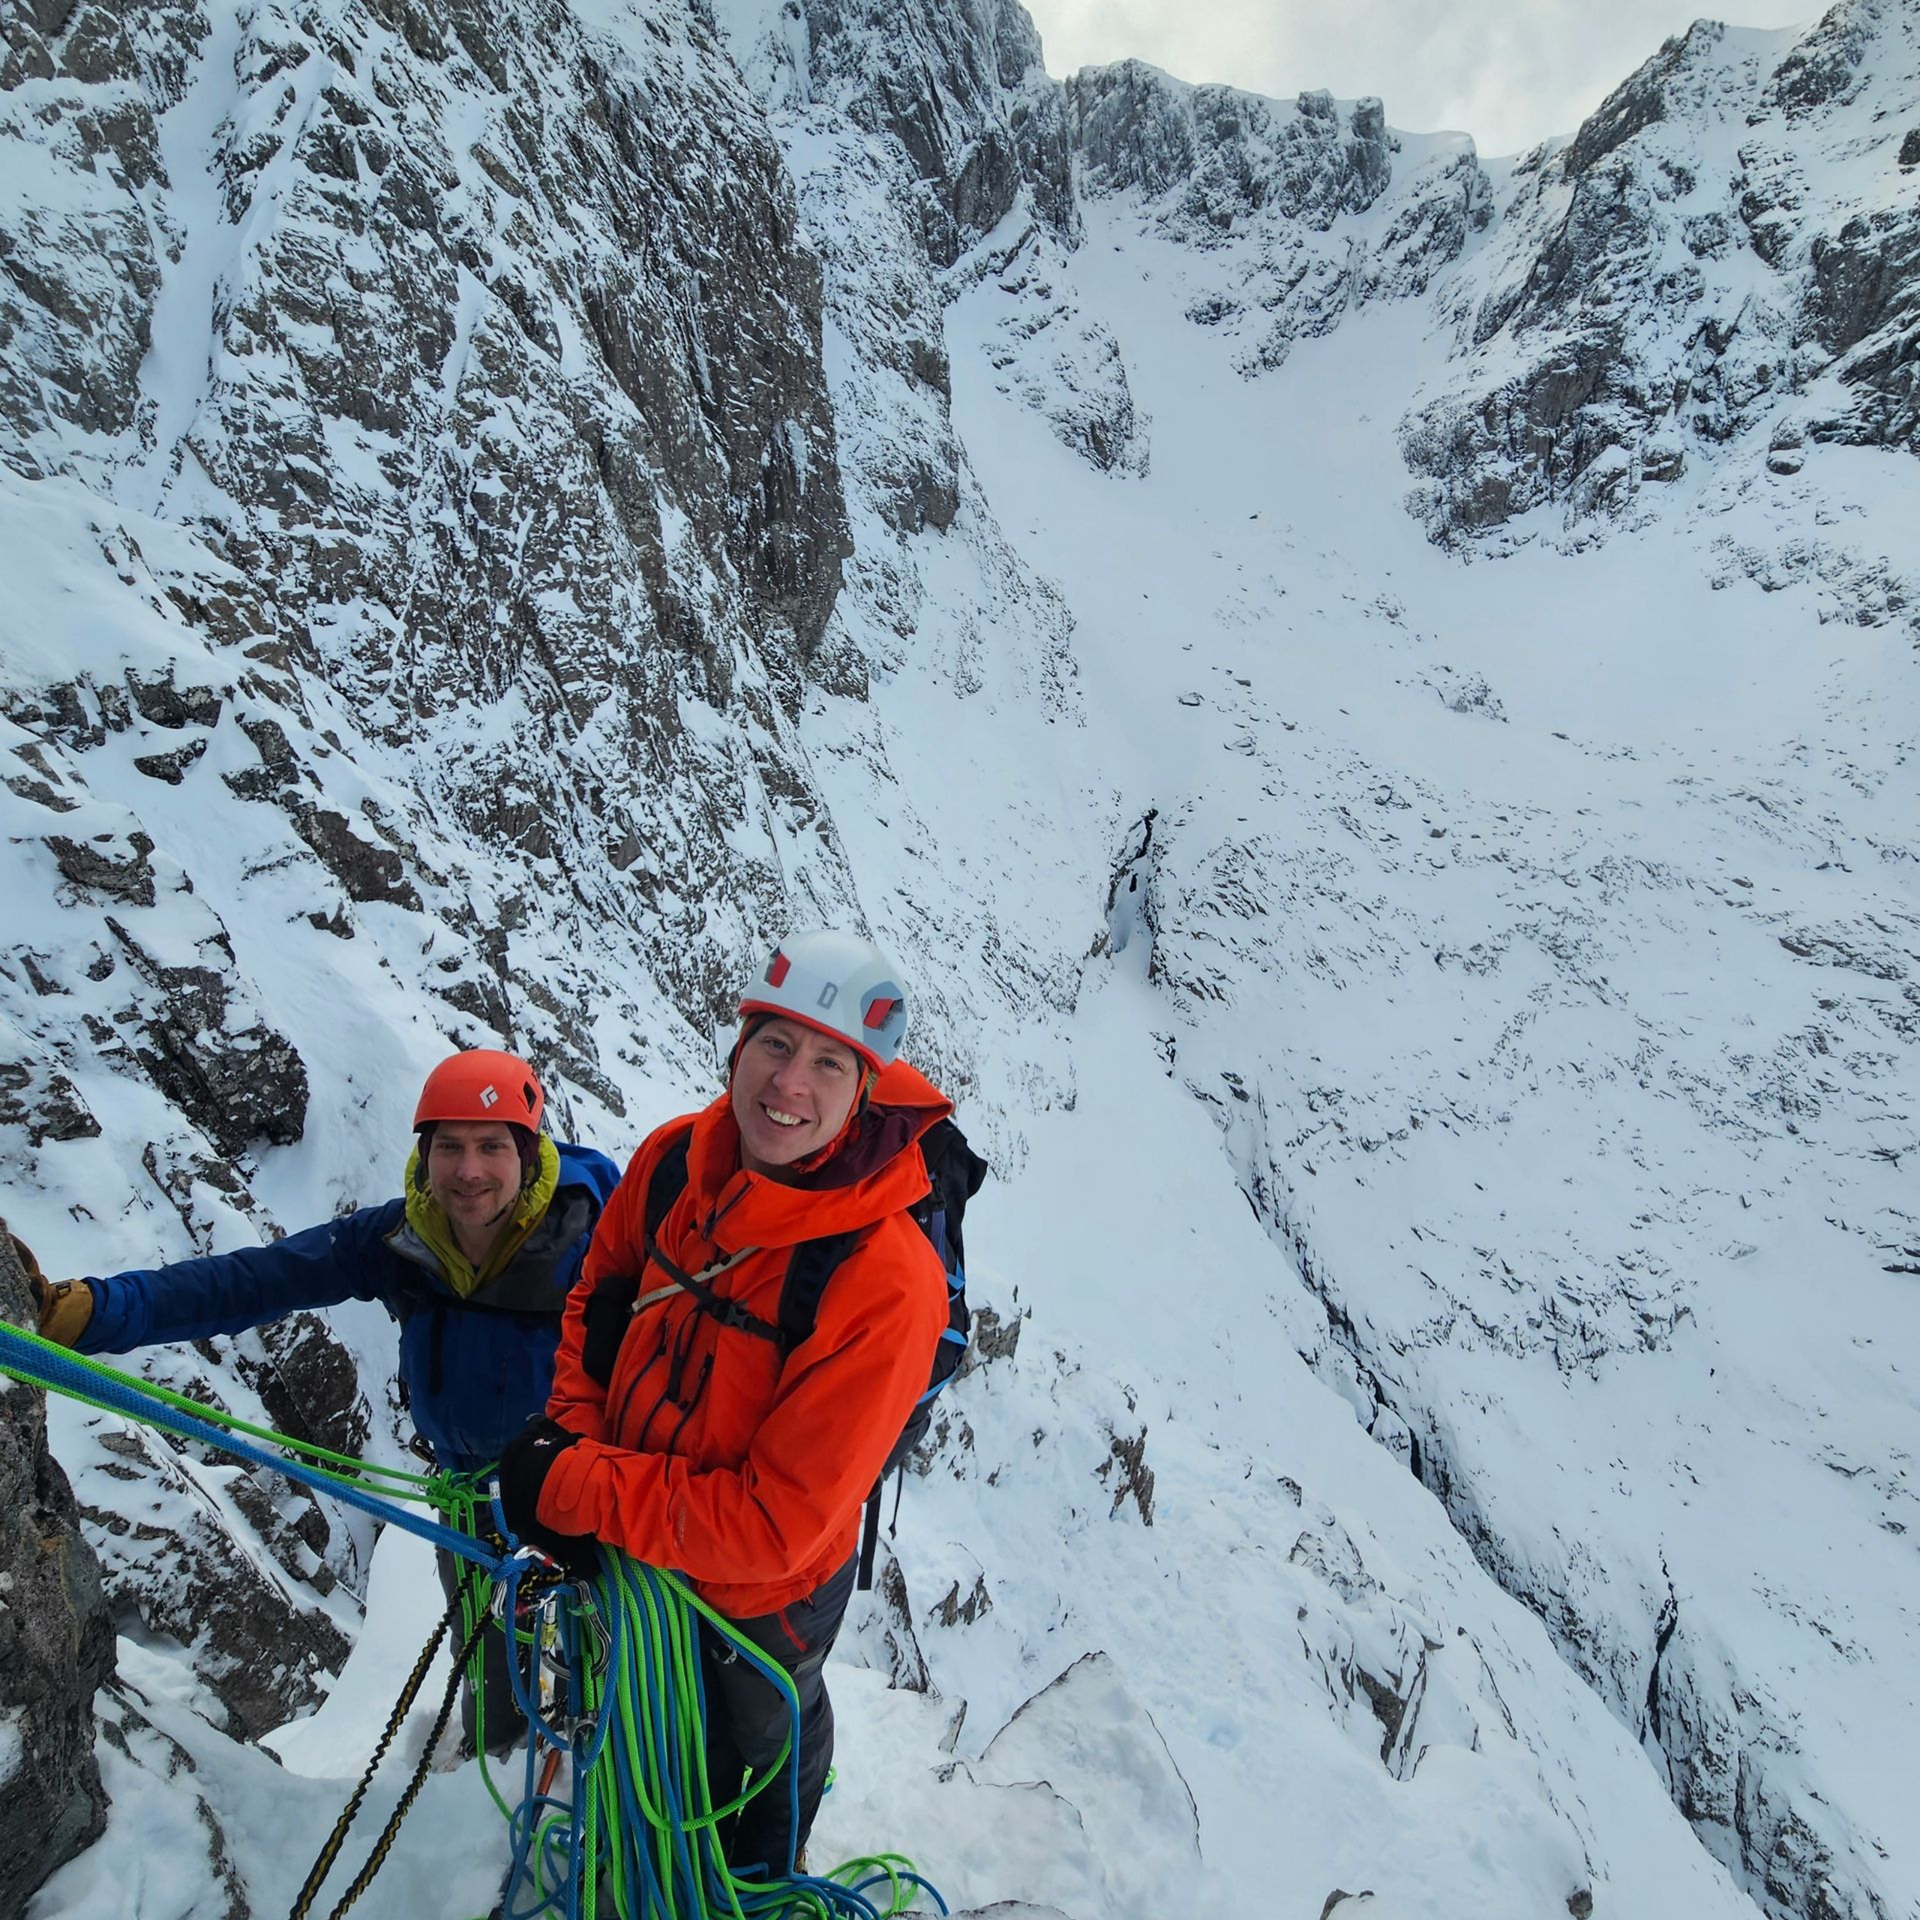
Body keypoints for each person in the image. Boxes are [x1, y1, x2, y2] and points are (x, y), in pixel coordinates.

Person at [495, 929, 951, 1879]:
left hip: (760, 1591)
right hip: (633, 1530)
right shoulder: (673, 1162)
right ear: (738, 1046)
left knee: (755, 1748)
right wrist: (577, 1441)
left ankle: (759, 1882)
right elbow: (600, 1300)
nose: (791, 1084)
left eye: (830, 1063)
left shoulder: (885, 1281)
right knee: (639, 1734)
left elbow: (771, 1523)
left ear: (865, 1096)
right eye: (777, 1044)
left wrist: (577, 1486)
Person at [24, 1046, 620, 1759]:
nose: (468, 1172)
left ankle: (600, 1801)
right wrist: (90, 1313)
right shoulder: (402, 1241)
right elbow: (244, 1283)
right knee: (494, 1678)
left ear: (528, 1155)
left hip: (584, 1491)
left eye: (492, 1147)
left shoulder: (593, 1244)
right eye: (450, 1147)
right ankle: (495, 1789)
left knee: (612, 1672)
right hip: (470, 1499)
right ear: (425, 1155)